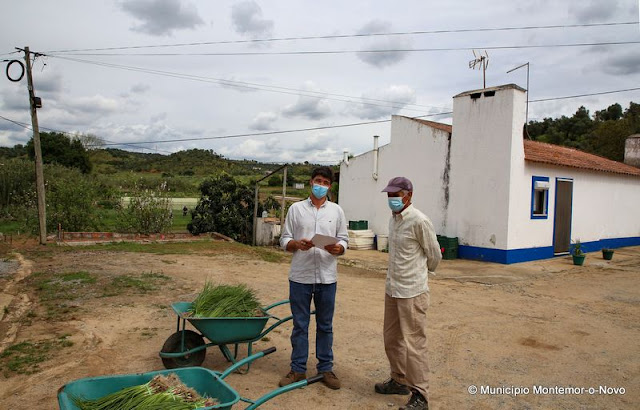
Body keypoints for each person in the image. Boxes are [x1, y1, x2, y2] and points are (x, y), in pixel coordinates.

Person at [279, 166, 349, 390]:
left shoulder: (337, 211)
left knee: (325, 325)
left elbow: (344, 239)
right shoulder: (296, 209)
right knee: (300, 324)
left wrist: (340, 248)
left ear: (330, 186)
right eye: (318, 181)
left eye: (326, 183)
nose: (321, 186)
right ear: (311, 182)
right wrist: (295, 244)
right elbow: (284, 239)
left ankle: (326, 369)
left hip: (328, 277)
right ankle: (297, 369)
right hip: (300, 276)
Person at [375, 176, 442, 410]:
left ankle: (420, 395)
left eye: (395, 195)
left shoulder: (419, 221)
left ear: (408, 195)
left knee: (414, 343)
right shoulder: (394, 220)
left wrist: (420, 276)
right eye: (389, 195)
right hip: (392, 289)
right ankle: (399, 379)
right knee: (391, 339)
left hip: (412, 292)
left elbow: (434, 255)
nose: (391, 199)